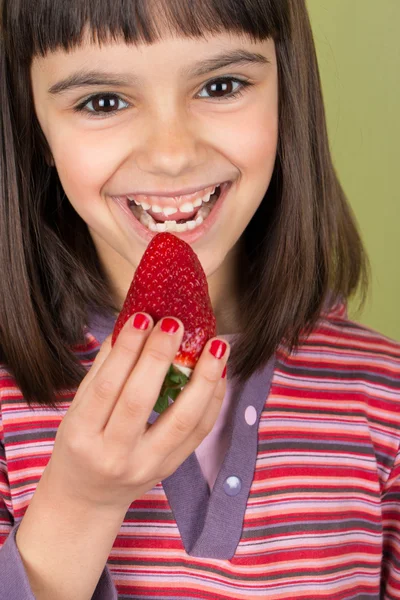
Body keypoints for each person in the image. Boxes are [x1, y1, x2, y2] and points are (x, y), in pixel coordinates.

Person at [0, 0, 399, 598]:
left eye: (221, 85)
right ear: (35, 126)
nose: (172, 153)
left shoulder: (384, 396)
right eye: (102, 101)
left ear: (288, 94)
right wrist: (79, 504)